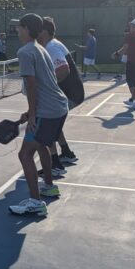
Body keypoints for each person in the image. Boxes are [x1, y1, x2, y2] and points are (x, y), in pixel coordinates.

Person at [8, 13, 69, 216]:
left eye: (19, 27)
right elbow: (47, 83)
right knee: (42, 146)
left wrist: (33, 114)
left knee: (25, 154)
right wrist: (31, 111)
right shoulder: (41, 49)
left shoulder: (25, 52)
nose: (17, 30)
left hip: (47, 111)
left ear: (26, 29)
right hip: (59, 107)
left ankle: (36, 202)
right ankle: (49, 186)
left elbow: (32, 84)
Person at [37, 17, 80, 176]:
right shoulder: (53, 44)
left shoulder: (52, 46)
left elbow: (63, 69)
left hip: (69, 93)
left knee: (49, 123)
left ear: (45, 32)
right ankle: (67, 153)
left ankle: (54, 163)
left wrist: (47, 86)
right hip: (71, 92)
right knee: (55, 124)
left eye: (38, 30)